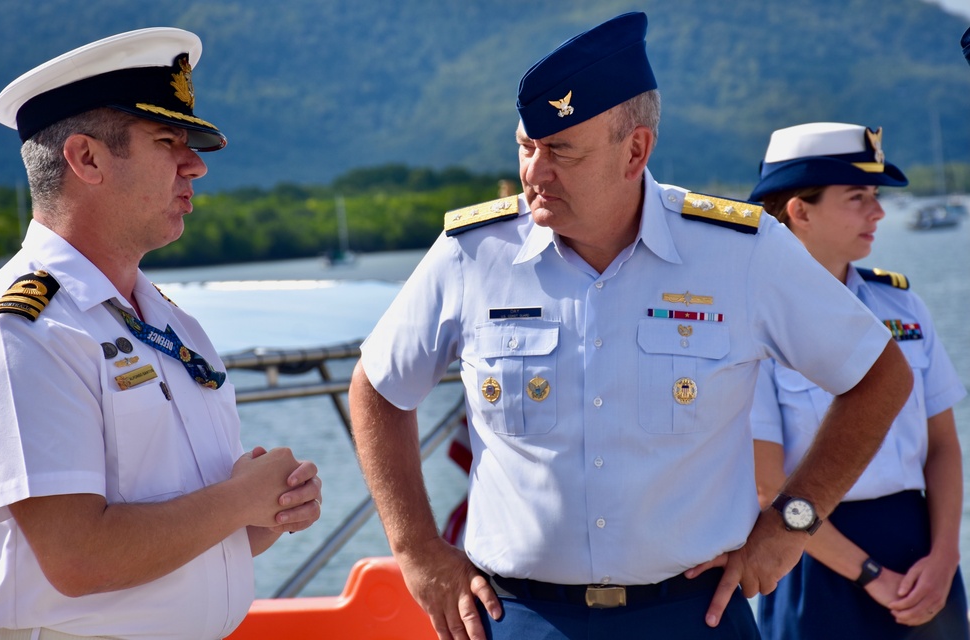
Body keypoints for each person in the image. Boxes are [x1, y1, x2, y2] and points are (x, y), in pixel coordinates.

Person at [348, 11, 913, 640]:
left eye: (562, 150)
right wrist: (416, 549)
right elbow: (376, 388)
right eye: (526, 146)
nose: (535, 172)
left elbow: (879, 377)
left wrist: (791, 526)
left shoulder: (739, 252)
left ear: (635, 150)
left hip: (693, 617)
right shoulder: (472, 253)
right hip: (519, 619)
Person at [0, 28, 322, 639]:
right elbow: (80, 559)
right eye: (167, 141)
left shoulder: (162, 316)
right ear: (86, 159)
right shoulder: (26, 328)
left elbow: (185, 527)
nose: (197, 166)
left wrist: (268, 511)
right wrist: (240, 500)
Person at [746, 122, 969, 639]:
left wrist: (945, 557)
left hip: (922, 556)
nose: (879, 212)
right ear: (801, 211)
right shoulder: (752, 327)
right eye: (857, 197)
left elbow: (943, 446)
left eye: (875, 196)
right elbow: (767, 484)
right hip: (810, 553)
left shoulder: (903, 308)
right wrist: (868, 574)